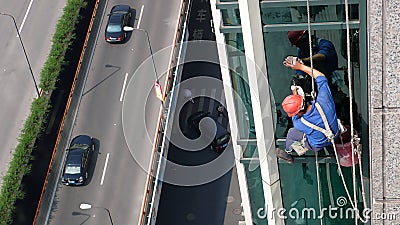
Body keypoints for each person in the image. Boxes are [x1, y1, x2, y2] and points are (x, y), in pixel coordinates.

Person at [276, 56, 339, 163]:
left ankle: (288, 153)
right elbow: (321, 77)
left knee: (291, 133)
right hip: (336, 132)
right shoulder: (324, 101)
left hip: (318, 145)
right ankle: (331, 148)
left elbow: (296, 115)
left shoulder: (300, 123)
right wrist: (300, 67)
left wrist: (294, 91)